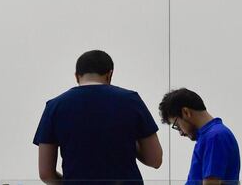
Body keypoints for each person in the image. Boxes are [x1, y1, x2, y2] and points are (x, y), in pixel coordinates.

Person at [33, 50, 163, 183]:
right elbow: (155, 159)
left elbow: (45, 173)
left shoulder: (54, 106)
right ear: (110, 74)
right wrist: (127, 138)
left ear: (77, 76)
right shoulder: (131, 101)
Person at [159, 88, 240, 185]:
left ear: (186, 112)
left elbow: (211, 182)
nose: (181, 133)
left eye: (177, 126)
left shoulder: (215, 137)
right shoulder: (210, 136)